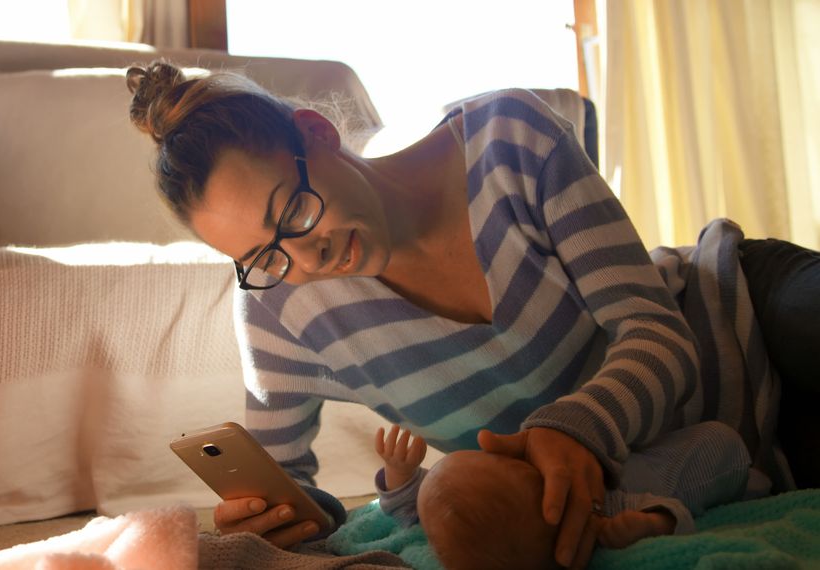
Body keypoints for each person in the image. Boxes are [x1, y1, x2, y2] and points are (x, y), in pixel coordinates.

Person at [125, 60, 820, 568]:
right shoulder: (281, 313)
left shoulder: (505, 140)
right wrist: (272, 527)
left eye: (294, 212)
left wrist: (574, 429)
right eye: (265, 255)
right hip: (719, 470)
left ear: (317, 133)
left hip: (742, 318)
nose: (308, 259)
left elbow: (656, 332)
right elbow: (294, 492)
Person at [374, 422, 756, 569]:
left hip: (632, 446)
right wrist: (652, 522)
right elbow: (678, 515)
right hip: (701, 466)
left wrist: (400, 474)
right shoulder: (600, 514)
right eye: (513, 466)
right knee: (723, 447)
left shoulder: (454, 532)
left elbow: (413, 511)